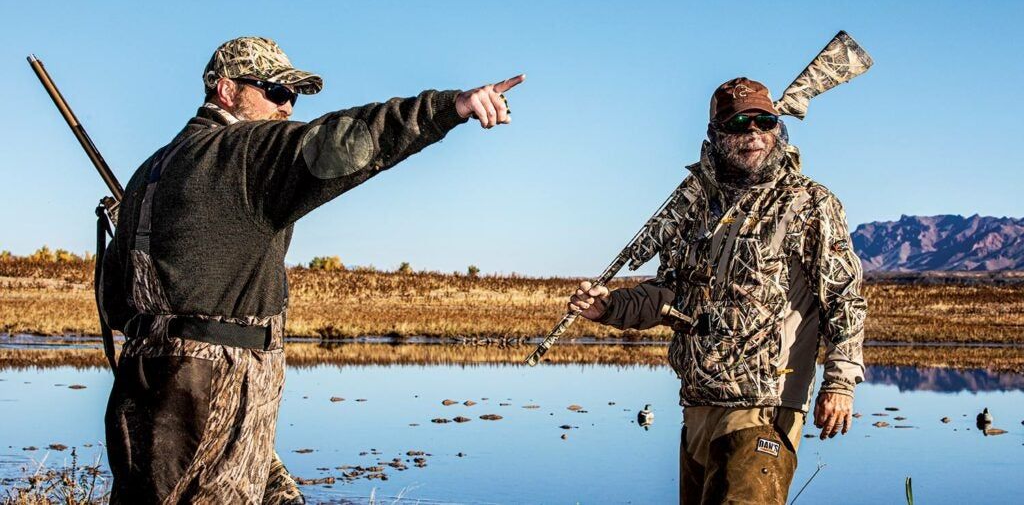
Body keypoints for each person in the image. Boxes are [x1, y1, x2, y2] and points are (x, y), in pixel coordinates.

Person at [99, 36, 523, 504]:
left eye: (293, 96)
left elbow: (116, 304)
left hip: (141, 389)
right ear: (225, 90)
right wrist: (451, 107)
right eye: (274, 91)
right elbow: (350, 141)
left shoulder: (147, 173)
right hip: (216, 388)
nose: (287, 107)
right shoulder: (245, 151)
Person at [568, 77, 866, 504]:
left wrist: (840, 383)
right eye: (739, 123)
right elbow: (669, 294)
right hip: (698, 408)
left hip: (764, 408)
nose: (753, 135)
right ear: (716, 134)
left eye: (765, 123)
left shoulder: (808, 203)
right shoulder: (696, 207)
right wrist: (610, 306)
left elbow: (844, 296)